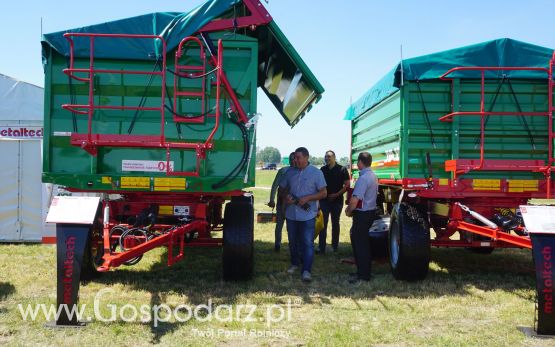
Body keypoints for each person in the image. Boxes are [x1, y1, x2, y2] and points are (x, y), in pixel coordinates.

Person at [279, 147, 327, 282]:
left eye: (298, 158)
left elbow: (324, 193)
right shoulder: (289, 173)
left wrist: (308, 198)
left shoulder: (316, 173)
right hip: (291, 214)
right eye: (294, 158)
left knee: (307, 243)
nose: (295, 160)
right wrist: (285, 197)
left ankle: (306, 270)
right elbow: (281, 189)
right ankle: (295, 263)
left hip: (308, 215)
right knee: (292, 242)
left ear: (306, 157)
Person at [345, 152, 378, 283]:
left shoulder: (363, 178)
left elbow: (355, 200)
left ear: (360, 162)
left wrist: (348, 210)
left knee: (360, 245)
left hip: (363, 214)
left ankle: (363, 275)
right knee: (362, 243)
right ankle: (363, 272)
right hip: (369, 212)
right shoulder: (373, 175)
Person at [317, 150, 350, 254]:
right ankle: (322, 247)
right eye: (326, 157)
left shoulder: (342, 169)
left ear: (334, 157)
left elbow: (347, 185)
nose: (327, 158)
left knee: (335, 223)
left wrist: (336, 195)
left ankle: (334, 246)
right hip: (324, 201)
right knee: (323, 224)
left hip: (337, 201)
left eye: (329, 157)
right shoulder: (322, 169)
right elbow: (318, 185)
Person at [268, 152, 296, 252]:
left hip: (293, 204)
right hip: (282, 201)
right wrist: (271, 199)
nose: (293, 160)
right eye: (291, 158)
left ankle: (292, 245)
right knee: (279, 224)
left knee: (291, 226)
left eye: (295, 158)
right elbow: (275, 186)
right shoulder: (283, 170)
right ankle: (277, 244)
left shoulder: (300, 171)